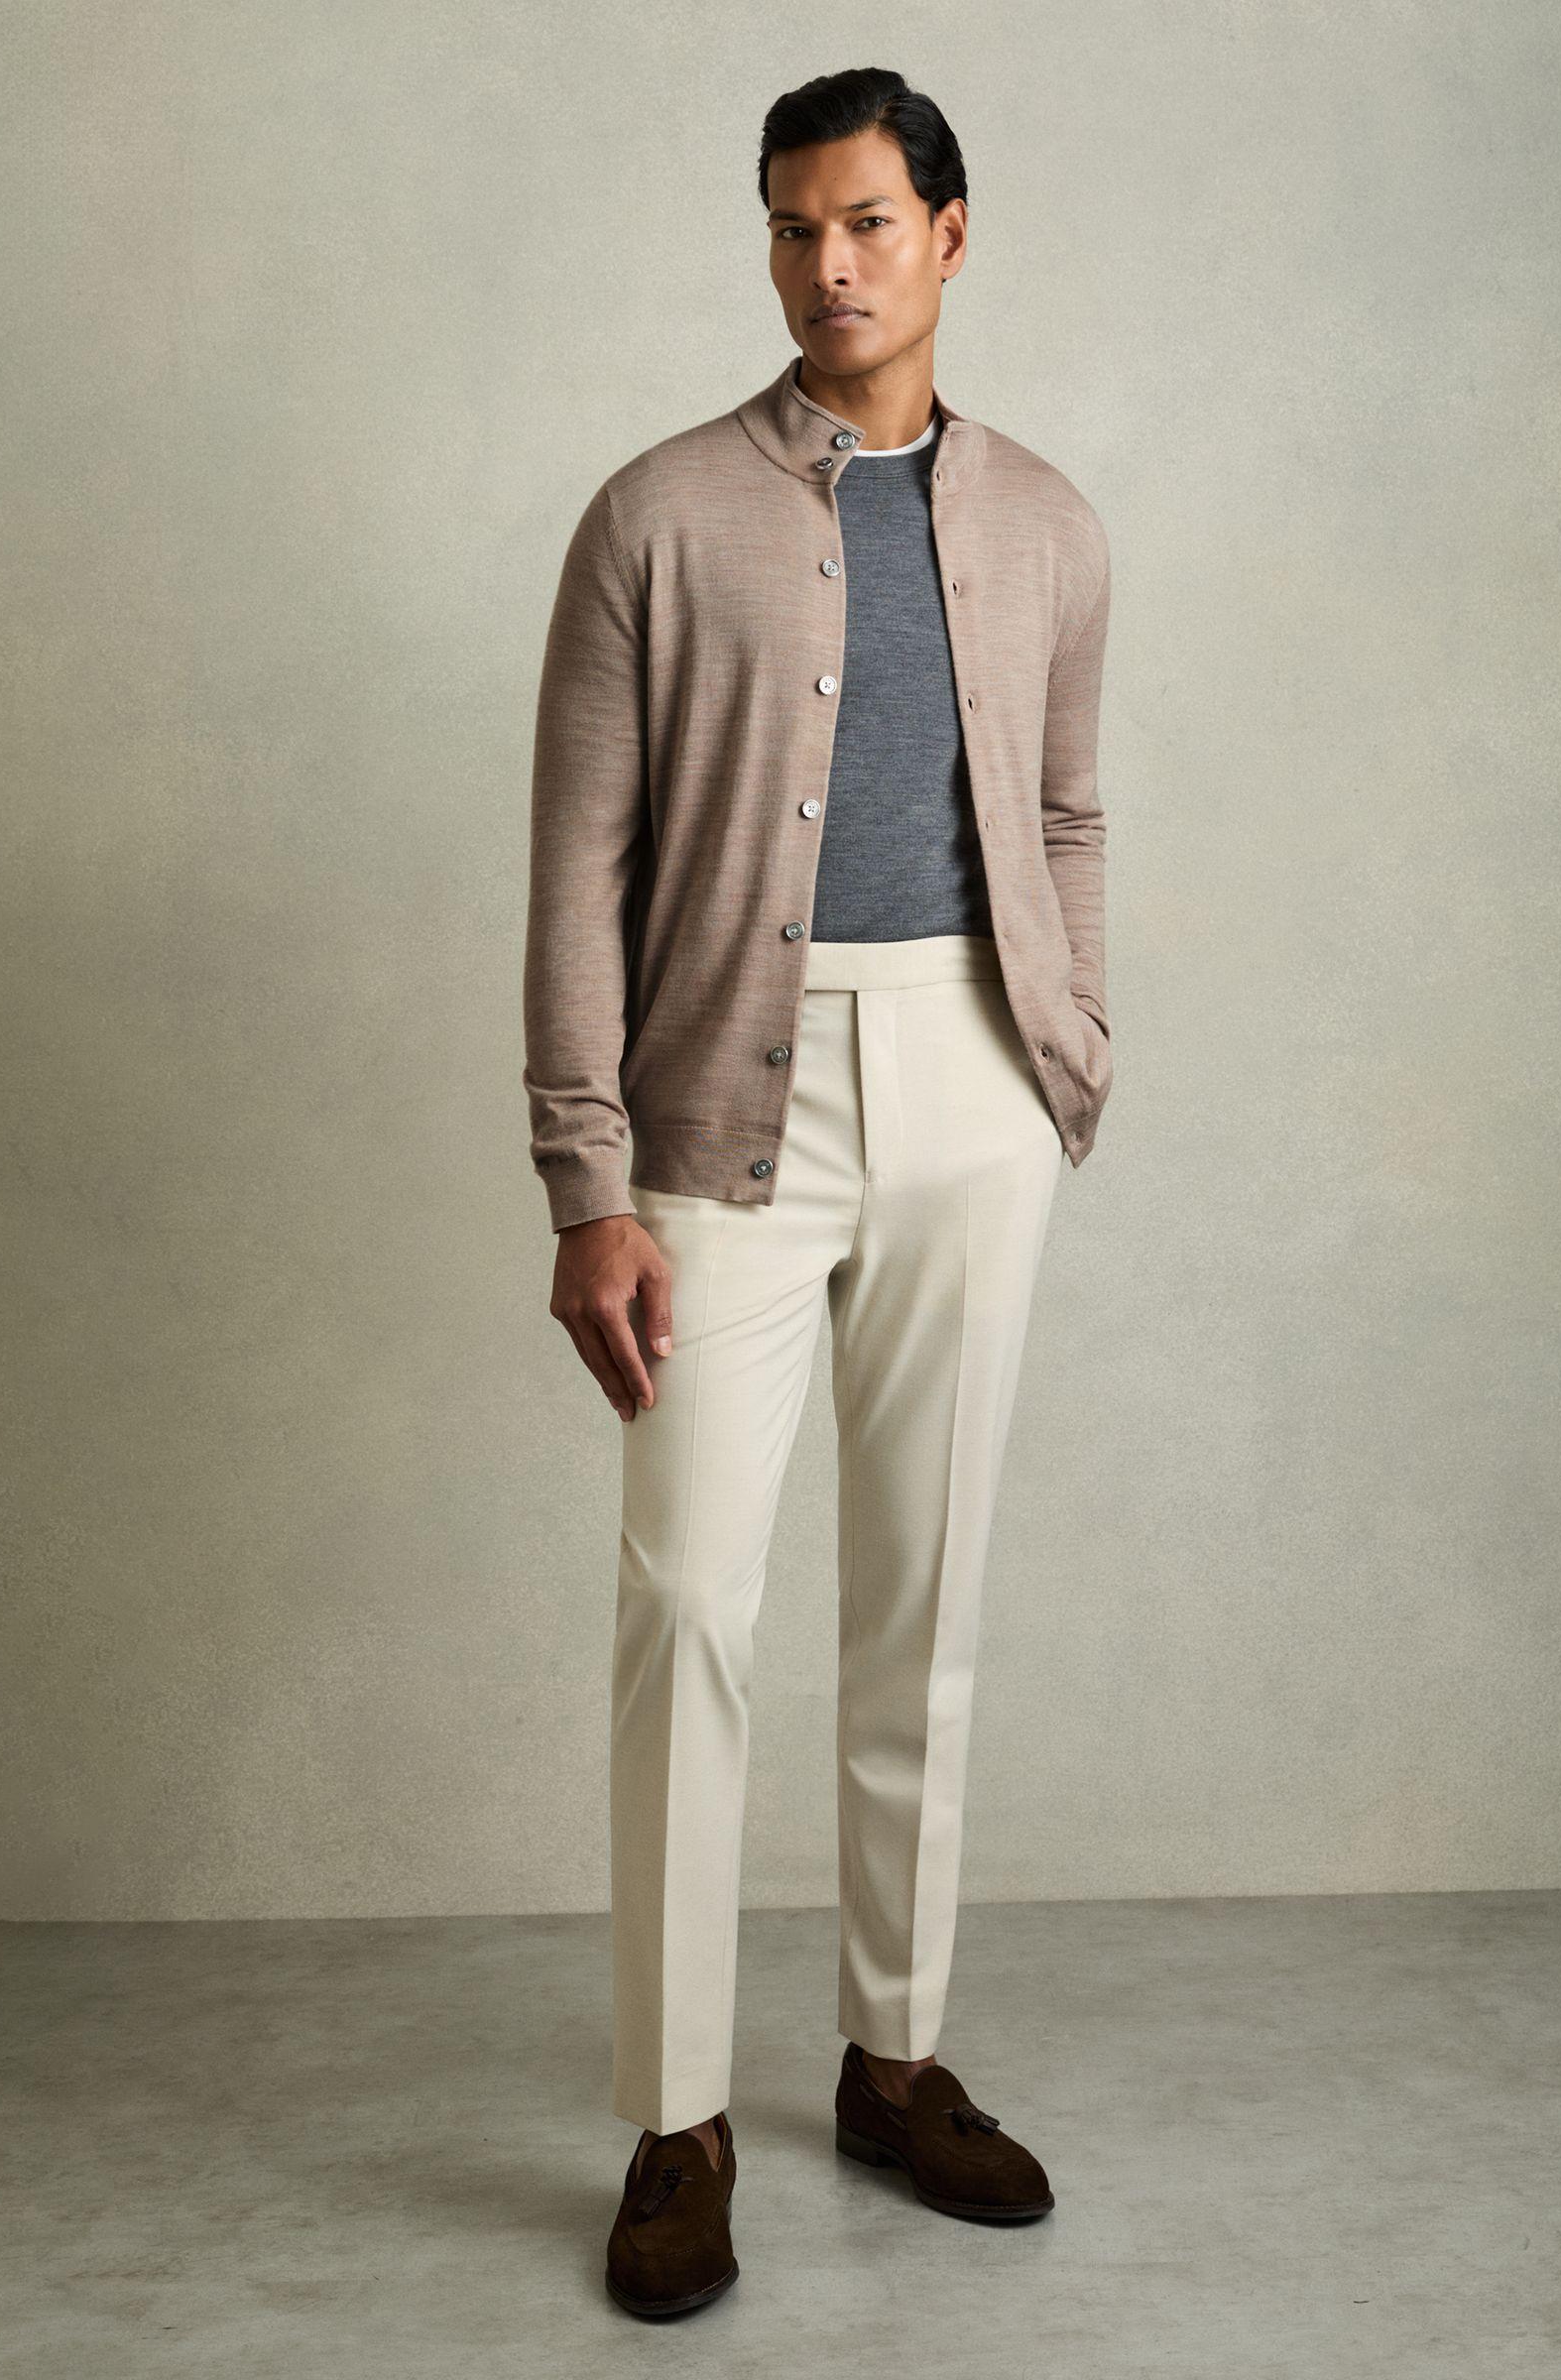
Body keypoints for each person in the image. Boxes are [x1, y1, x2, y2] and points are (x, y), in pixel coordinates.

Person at [520, 65, 1115, 2319]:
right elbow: (578, 860)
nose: (828, 264)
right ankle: (677, 2118)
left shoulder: (1049, 521)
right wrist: (586, 1176)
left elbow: (1067, 810)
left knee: (924, 1598)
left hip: (975, 1076)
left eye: (866, 221)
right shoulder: (656, 515)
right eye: (793, 226)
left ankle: (894, 2057)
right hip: (717, 1112)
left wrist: (1066, 1048)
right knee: (689, 1596)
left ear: (951, 233)